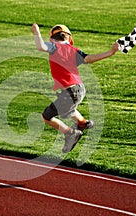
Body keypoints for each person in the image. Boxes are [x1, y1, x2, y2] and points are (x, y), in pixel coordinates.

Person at [31, 23, 119, 153]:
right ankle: (83, 122)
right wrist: (111, 52)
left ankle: (70, 133)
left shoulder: (54, 47)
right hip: (79, 89)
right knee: (66, 109)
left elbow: (40, 46)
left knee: (47, 116)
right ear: (69, 39)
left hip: (70, 92)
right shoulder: (73, 50)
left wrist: (36, 32)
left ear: (52, 39)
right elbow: (89, 58)